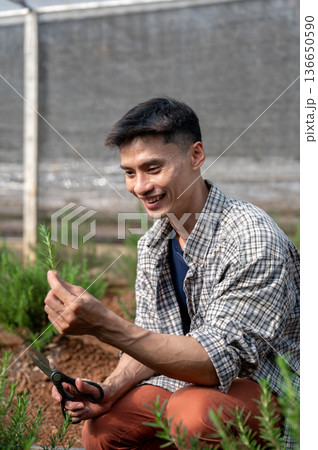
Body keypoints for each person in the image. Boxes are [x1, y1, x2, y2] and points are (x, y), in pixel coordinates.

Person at [45, 97, 300, 449]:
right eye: (130, 173)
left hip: (274, 390)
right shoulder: (155, 243)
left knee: (192, 414)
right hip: (192, 384)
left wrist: (106, 325)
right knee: (104, 428)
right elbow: (153, 336)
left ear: (196, 156)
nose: (139, 186)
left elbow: (217, 363)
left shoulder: (252, 238)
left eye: (153, 168)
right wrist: (110, 388)